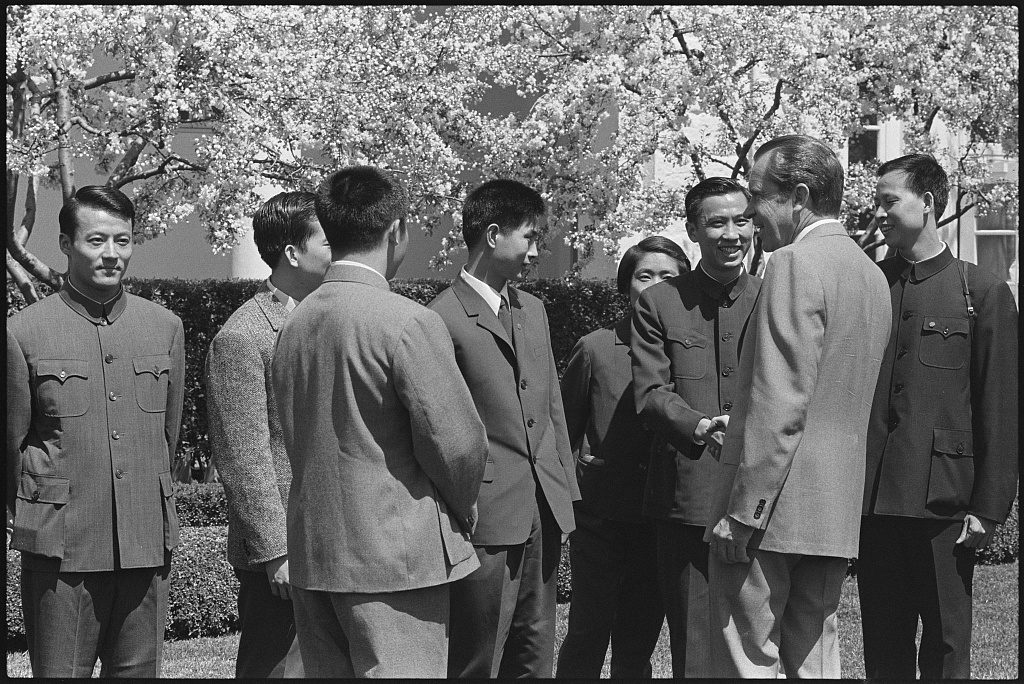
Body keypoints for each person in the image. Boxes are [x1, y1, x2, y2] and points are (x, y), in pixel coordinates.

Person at [270, 166, 487, 678]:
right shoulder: (408, 320)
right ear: (397, 230)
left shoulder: (293, 322)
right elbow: (458, 446)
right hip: (397, 558)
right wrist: (462, 509)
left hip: (316, 551)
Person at [704, 134, 892, 678]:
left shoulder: (792, 263)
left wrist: (744, 512)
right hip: (833, 506)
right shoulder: (871, 273)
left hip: (771, 510)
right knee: (816, 661)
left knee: (747, 661)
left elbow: (781, 401)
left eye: (758, 194)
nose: (749, 211)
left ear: (800, 196)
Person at [6, 185, 186, 677]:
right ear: (66, 244)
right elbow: (10, 444)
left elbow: (167, 437)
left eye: (122, 241)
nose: (112, 254)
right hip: (61, 547)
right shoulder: (24, 332)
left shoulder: (164, 327)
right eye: (96, 240)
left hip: (144, 542)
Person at [858, 153, 1018, 679]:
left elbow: (1000, 406)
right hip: (875, 500)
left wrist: (989, 508)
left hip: (943, 499)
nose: (878, 213)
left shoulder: (982, 291)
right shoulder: (870, 286)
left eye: (889, 201)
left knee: (948, 643)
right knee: (883, 642)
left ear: (926, 202)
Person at [429, 179, 580, 678]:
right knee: (479, 658)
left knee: (535, 655)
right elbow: (439, 428)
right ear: (493, 235)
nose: (536, 252)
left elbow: (551, 408)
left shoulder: (532, 309)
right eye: (530, 238)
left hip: (543, 508)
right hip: (483, 516)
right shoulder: (440, 318)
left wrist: (565, 492)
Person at [630, 178, 761, 677]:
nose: (732, 234)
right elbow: (650, 393)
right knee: (696, 649)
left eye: (742, 220)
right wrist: (701, 425)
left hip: (760, 496)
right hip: (688, 498)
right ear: (692, 229)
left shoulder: (772, 297)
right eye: (717, 222)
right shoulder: (659, 302)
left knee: (759, 643)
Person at [206, 191, 332, 677]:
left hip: (335, 541)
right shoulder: (242, 337)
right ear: (292, 253)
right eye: (327, 240)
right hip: (281, 557)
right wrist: (276, 551)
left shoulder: (331, 317)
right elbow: (243, 459)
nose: (338, 251)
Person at [555, 236, 690, 678]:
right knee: (588, 630)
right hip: (600, 515)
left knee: (638, 637)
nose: (655, 285)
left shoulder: (689, 352)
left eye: (668, 276)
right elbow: (565, 430)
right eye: (644, 275)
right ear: (625, 285)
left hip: (661, 516)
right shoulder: (595, 347)